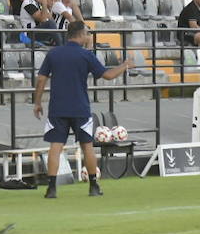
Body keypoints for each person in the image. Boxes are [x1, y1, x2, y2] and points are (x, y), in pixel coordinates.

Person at [32, 20, 131, 199]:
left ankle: (52, 188)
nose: (88, 36)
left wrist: (37, 102)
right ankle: (93, 186)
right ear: (80, 34)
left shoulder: (54, 54)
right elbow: (107, 76)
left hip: (58, 108)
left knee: (55, 147)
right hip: (80, 108)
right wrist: (124, 66)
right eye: (87, 33)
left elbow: (41, 79)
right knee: (87, 146)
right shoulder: (86, 55)